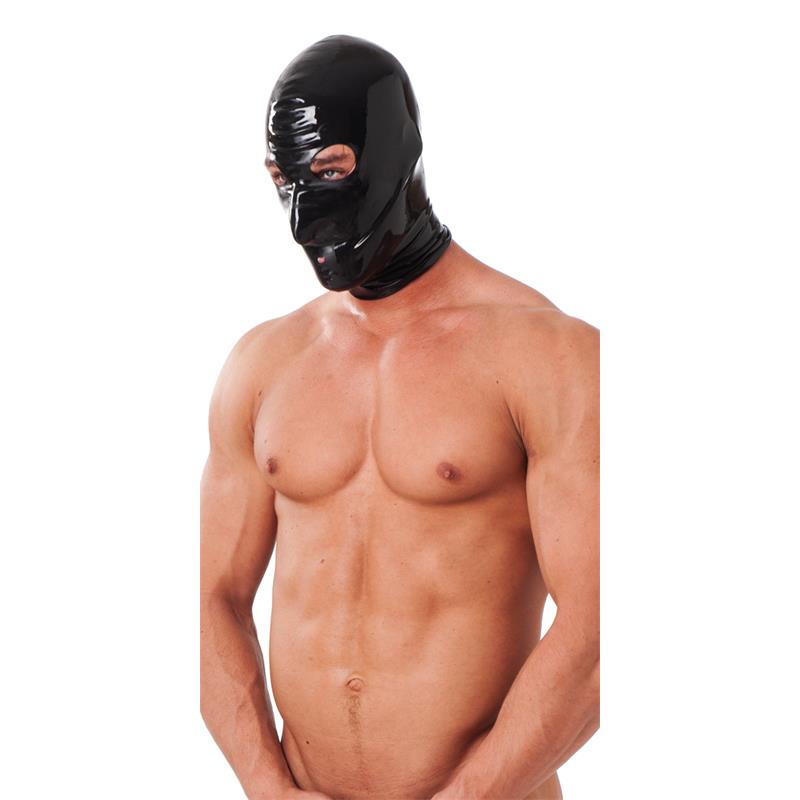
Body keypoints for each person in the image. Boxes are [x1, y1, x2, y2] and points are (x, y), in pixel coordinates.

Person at [200, 34, 599, 800]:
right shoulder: (265, 362)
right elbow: (211, 600)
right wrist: (267, 788)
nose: (302, 216)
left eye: (330, 170)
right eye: (283, 180)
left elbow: (605, 628)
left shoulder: (547, 353)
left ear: (398, 151)